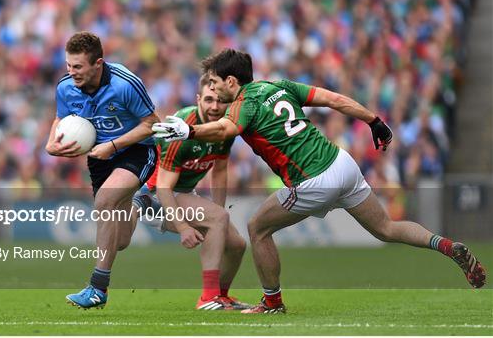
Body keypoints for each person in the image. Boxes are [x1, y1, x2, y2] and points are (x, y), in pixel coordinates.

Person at [152, 48, 486, 314]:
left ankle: (271, 303)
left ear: (230, 81)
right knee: (386, 227)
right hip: (342, 162)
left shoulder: (244, 103)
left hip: (314, 180)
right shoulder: (279, 86)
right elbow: (333, 99)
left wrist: (190, 129)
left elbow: (226, 129)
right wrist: (375, 121)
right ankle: (445, 245)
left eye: (216, 82)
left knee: (258, 228)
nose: (214, 90)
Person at [45, 31, 159, 309]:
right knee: (118, 242)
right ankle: (137, 203)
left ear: (98, 63)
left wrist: (114, 145)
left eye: (78, 67)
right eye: (69, 66)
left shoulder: (125, 84)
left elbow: (152, 123)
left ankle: (98, 288)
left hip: (136, 151)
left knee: (105, 200)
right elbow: (61, 117)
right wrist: (51, 144)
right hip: (99, 158)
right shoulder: (65, 86)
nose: (72, 72)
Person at [134, 74, 250, 310]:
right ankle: (207, 298)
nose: (215, 106)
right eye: (208, 100)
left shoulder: (224, 128)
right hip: (156, 197)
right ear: (198, 99)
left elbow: (219, 169)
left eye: (219, 101)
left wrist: (219, 210)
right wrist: (183, 227)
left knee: (237, 244)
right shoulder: (181, 130)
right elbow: (164, 186)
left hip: (183, 193)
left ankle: (221, 296)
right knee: (217, 220)